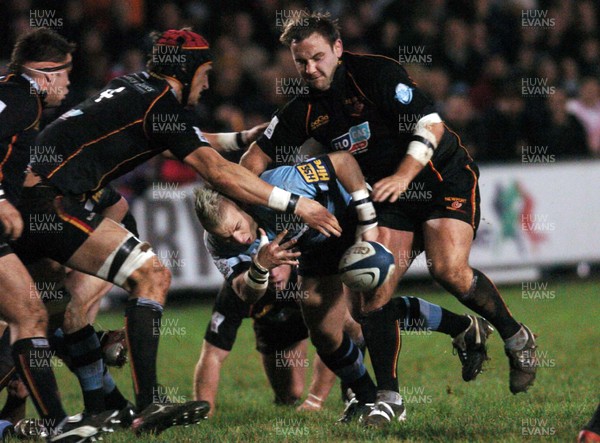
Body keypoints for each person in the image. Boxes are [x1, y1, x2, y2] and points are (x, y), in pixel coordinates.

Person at [12, 27, 340, 435]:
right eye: (204, 75)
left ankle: (98, 407)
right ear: (188, 73)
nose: (205, 86)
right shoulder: (160, 105)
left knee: (60, 311)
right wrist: (295, 203)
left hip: (30, 201)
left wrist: (240, 137)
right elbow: (217, 172)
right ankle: (146, 404)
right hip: (52, 201)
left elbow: (175, 140)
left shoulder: (134, 89)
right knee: (151, 274)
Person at [241, 12, 538, 425]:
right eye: (301, 62)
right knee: (371, 286)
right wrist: (254, 208)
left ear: (338, 50)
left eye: (318, 58)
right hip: (387, 196)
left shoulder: (375, 73)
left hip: (440, 177)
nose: (310, 69)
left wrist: (403, 174)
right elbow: (251, 160)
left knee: (448, 271)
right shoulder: (302, 109)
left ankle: (515, 335)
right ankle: (389, 398)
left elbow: (431, 126)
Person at [194, 152, 493, 422]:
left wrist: (365, 216)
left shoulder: (282, 182)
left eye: (236, 227)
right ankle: (371, 391)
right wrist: (260, 267)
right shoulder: (219, 242)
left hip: (349, 221)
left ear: (237, 202)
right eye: (227, 236)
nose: (239, 240)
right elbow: (245, 293)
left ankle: (383, 398)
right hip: (316, 247)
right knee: (323, 331)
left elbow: (342, 162)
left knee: (363, 313)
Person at [0, 27, 119, 441]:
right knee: (30, 314)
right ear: (47, 74)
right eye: (66, 76)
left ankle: (49, 423)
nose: (68, 86)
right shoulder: (20, 99)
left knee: (26, 315)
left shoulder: (12, 95)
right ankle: (57, 425)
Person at [193, 264, 341, 415]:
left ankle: (354, 391)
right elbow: (213, 353)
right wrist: (204, 412)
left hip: (306, 314)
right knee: (290, 395)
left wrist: (315, 401)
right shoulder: (238, 287)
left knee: (340, 329)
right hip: (271, 321)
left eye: (277, 265)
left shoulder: (311, 272)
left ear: (291, 257)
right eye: (266, 266)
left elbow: (334, 337)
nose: (273, 274)